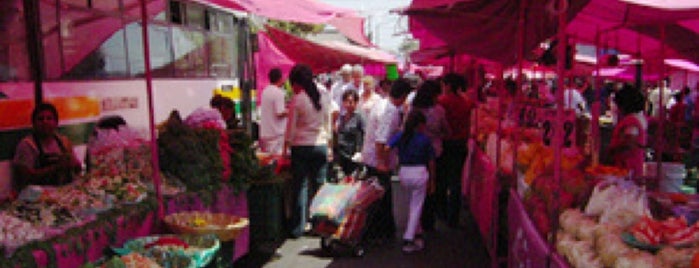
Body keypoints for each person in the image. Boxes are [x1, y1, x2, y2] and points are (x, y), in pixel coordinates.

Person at [283, 64, 332, 238]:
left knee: (301, 187)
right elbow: (328, 122)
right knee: (320, 186)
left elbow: (290, 129)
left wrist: (285, 148)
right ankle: (320, 225)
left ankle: (298, 227)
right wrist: (329, 144)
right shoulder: (324, 95)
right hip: (320, 145)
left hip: (301, 147)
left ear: (297, 82)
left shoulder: (298, 99)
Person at [361, 78, 412, 241]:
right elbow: (381, 140)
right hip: (378, 161)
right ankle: (380, 233)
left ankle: (381, 231)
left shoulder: (382, 104)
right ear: (403, 95)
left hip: (373, 158)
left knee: (378, 197)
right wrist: (382, 163)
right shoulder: (389, 110)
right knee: (380, 198)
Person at [388, 110, 435, 253]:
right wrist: (433, 180)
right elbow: (431, 162)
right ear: (420, 125)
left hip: (404, 172)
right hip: (419, 172)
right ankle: (409, 238)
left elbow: (387, 147)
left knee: (411, 203)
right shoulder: (425, 139)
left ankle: (417, 232)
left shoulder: (401, 136)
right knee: (416, 206)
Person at [410, 79, 451, 231]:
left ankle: (417, 219)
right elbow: (447, 131)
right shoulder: (439, 111)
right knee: (432, 187)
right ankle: (428, 222)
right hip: (435, 153)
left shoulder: (414, 109)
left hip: (417, 154)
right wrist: (437, 134)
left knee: (418, 188)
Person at [13, 103, 82, 192]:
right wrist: (55, 168)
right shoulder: (27, 145)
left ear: (56, 122)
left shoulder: (64, 142)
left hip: (65, 193)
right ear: (33, 123)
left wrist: (74, 163)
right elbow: (24, 178)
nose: (45, 122)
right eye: (40, 119)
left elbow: (78, 169)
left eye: (49, 118)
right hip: (38, 197)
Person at [437, 73, 475, 228]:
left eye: (443, 84)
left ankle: (443, 212)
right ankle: (454, 217)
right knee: (455, 181)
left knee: (443, 179)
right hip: (461, 144)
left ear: (448, 85)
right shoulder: (466, 102)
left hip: (446, 143)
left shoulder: (442, 101)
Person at [608, 84, 647, 177]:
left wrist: (613, 150)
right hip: (633, 165)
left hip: (628, 167)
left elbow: (630, 143)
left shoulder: (631, 121)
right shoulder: (639, 117)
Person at [335, 90, 364, 177]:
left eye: (351, 102)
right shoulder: (341, 117)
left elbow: (364, 135)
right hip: (342, 155)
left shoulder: (359, 118)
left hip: (354, 155)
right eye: (346, 101)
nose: (348, 104)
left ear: (356, 103)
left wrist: (360, 152)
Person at [259, 68, 288, 155]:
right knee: (276, 158)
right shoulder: (279, 93)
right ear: (280, 78)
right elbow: (279, 112)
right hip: (276, 133)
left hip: (266, 132)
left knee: (268, 158)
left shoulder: (265, 91)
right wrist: (290, 111)